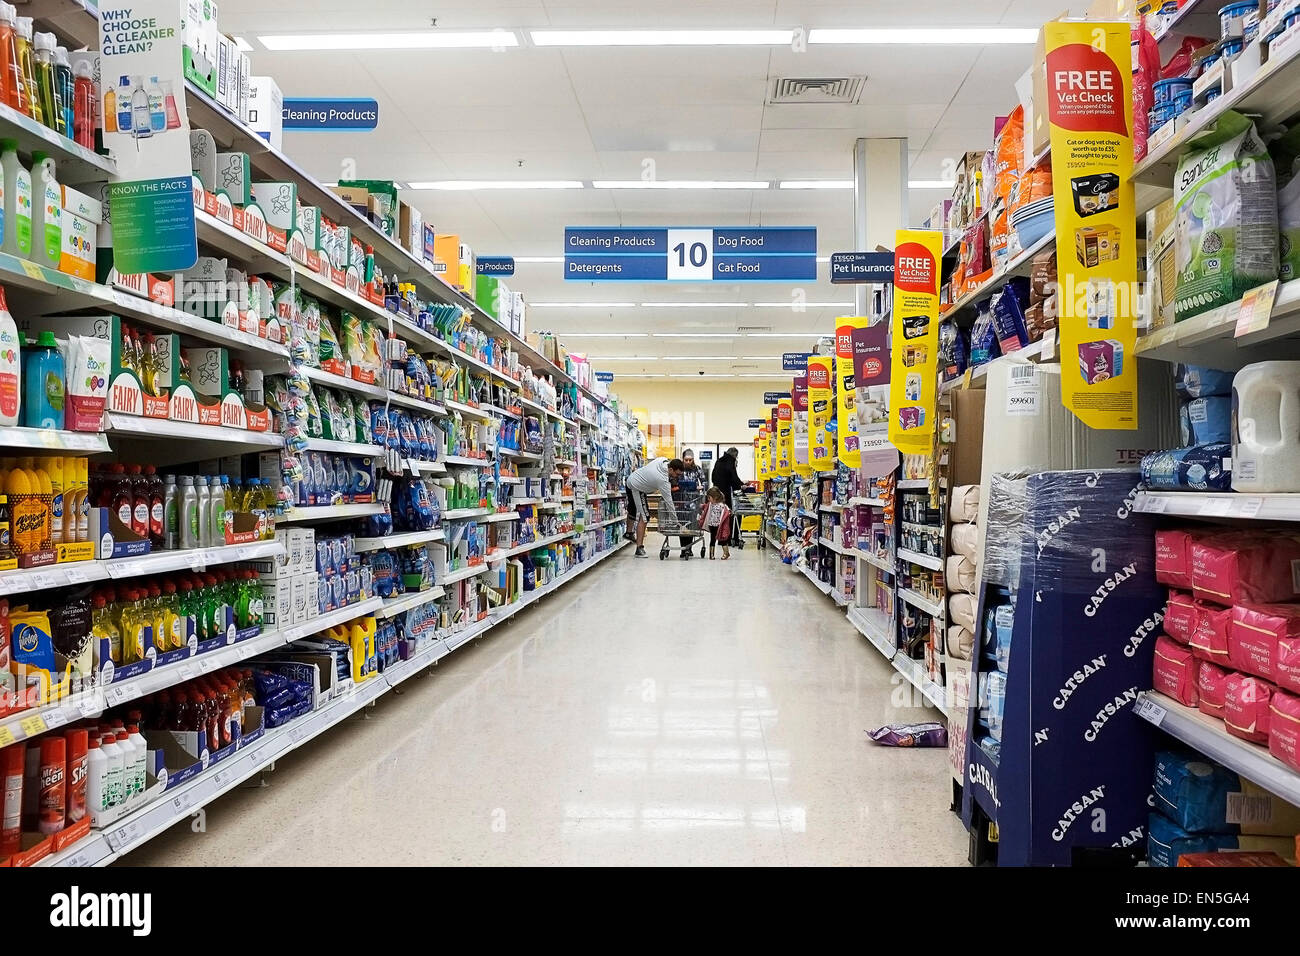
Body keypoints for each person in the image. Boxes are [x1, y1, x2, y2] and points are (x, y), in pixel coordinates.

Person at [625, 457, 684, 558]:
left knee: (633, 509)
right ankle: (639, 549)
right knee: (644, 516)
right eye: (677, 474)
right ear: (670, 470)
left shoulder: (662, 460)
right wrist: (676, 522)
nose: (677, 477)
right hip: (636, 487)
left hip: (632, 479)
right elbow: (669, 502)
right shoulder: (662, 480)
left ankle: (629, 533)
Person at [674, 450, 706, 559]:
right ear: (682, 459)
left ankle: (689, 548)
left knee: (691, 524)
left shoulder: (697, 469)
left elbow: (704, 481)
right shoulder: (679, 469)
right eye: (686, 460)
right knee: (682, 525)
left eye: (690, 460)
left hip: (694, 501)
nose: (688, 462)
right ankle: (683, 548)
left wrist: (702, 488)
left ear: (693, 459)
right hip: (680, 501)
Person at [700, 487, 732, 560]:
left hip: (719, 526)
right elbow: (706, 507)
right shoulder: (710, 504)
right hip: (712, 525)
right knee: (712, 540)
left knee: (722, 540)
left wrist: (729, 513)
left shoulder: (722, 506)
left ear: (716, 497)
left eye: (709, 497)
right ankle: (711, 554)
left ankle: (726, 553)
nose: (708, 499)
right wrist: (702, 506)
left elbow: (727, 512)